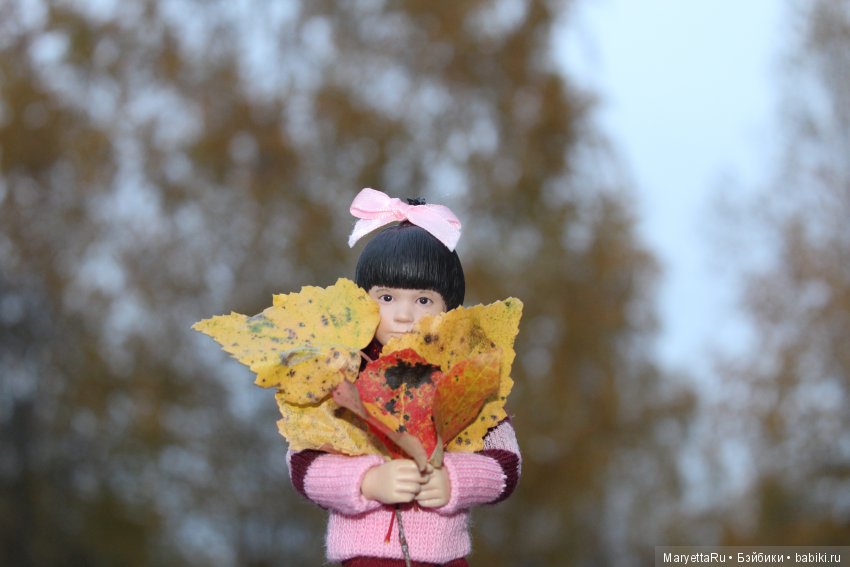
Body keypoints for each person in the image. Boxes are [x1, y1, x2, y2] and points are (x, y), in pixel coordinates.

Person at [287, 189, 521, 567]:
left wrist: (454, 480)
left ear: (451, 309)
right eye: (387, 298)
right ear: (362, 302)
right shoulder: (343, 376)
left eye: (424, 300)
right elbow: (303, 464)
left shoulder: (465, 379)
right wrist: (366, 481)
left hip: (443, 558)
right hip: (362, 558)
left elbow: (506, 464)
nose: (403, 315)